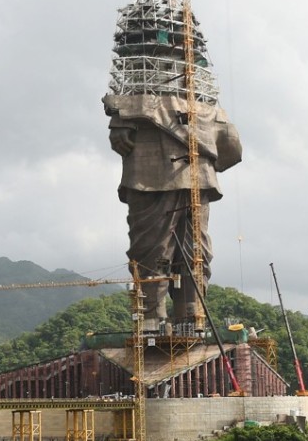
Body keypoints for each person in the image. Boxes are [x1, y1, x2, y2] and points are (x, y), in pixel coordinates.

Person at [103, 92, 241, 332]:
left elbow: (229, 142)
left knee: (193, 250)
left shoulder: (199, 86)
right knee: (153, 248)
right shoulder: (149, 73)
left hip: (195, 173)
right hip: (153, 170)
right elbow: (231, 147)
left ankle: (190, 313)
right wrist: (120, 122)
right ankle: (152, 317)